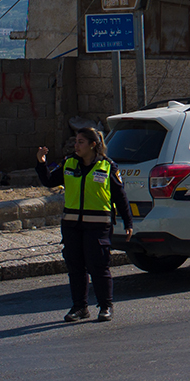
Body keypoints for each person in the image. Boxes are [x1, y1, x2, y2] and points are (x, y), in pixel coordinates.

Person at [36, 127, 133, 322]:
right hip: (72, 225)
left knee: (98, 266)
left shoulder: (107, 166)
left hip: (98, 225)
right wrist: (41, 162)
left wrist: (128, 221)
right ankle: (79, 307)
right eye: (76, 141)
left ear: (92, 144)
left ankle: (105, 306)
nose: (76, 145)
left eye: (81, 142)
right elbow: (49, 181)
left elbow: (120, 196)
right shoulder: (69, 163)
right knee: (75, 267)